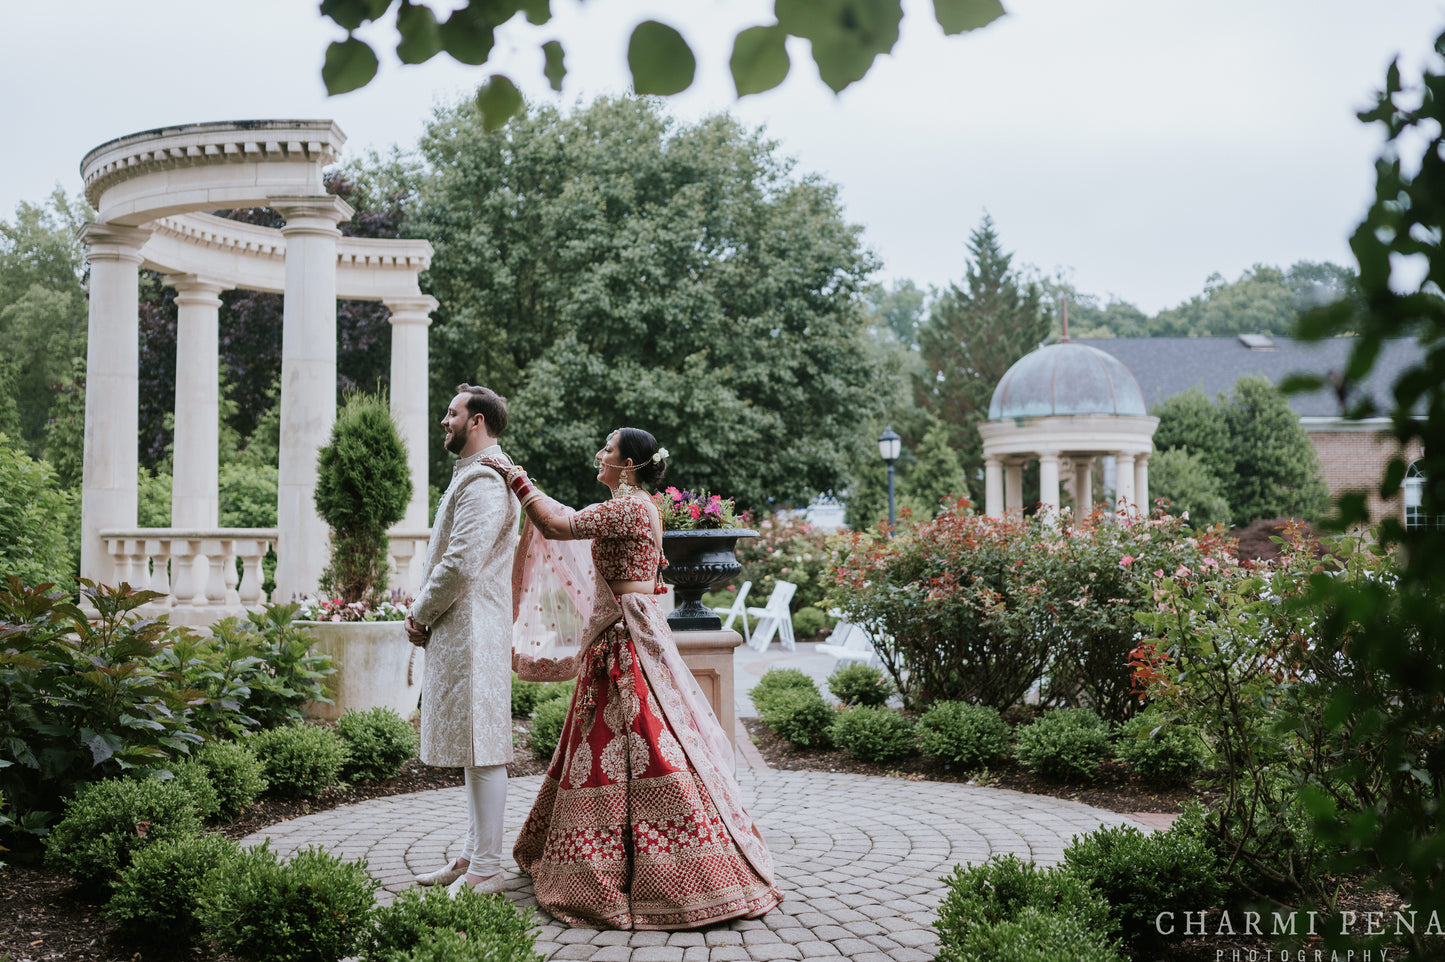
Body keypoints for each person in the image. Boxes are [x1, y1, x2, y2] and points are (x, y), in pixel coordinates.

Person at [482, 428, 783, 929]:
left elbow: (557, 525)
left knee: (642, 741)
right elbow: (566, 518)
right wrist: (526, 482)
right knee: (616, 743)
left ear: (627, 465)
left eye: (607, 448)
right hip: (627, 629)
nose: (598, 454)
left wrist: (515, 477)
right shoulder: (637, 504)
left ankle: (669, 873)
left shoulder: (626, 507)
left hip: (625, 637)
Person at [405, 384, 520, 897]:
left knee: (485, 746)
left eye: (452, 414)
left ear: (477, 422)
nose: (443, 421)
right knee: (476, 747)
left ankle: (488, 868)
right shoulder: (478, 475)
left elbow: (461, 563)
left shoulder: (484, 482)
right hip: (466, 628)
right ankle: (473, 855)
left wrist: (420, 612)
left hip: (473, 628)